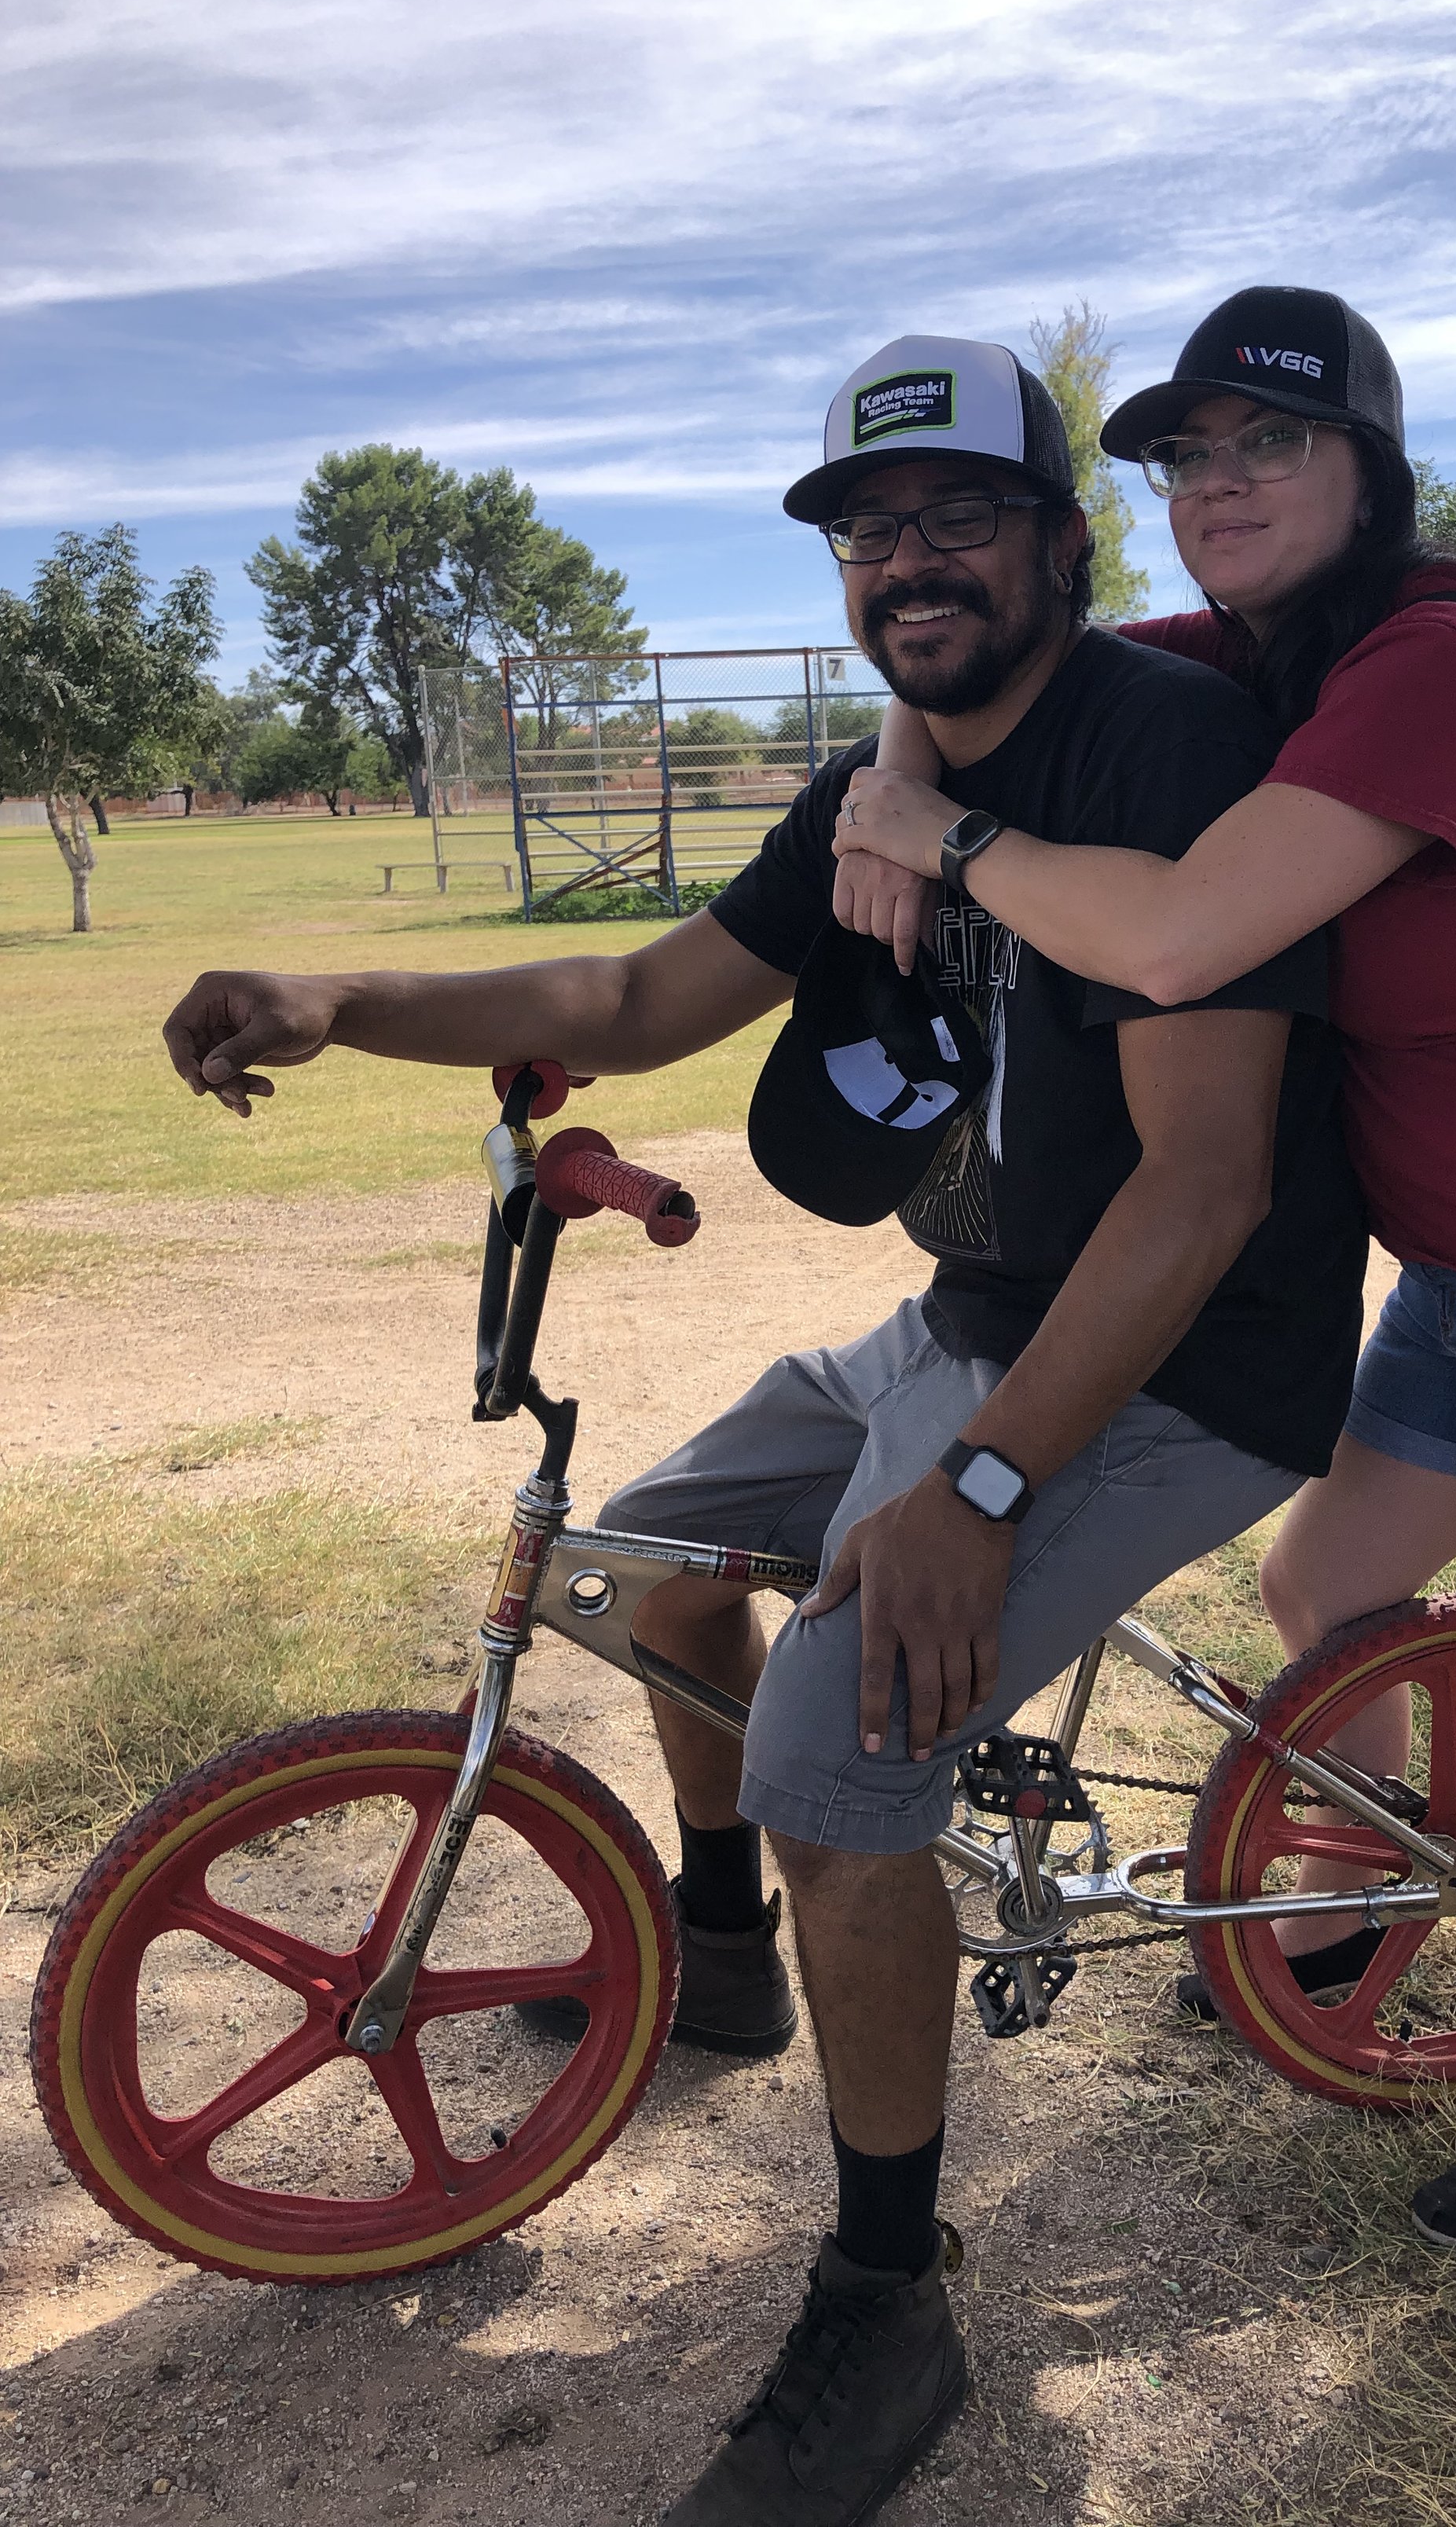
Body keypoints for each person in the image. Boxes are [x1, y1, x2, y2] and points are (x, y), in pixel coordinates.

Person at [161, 332, 1369, 2525]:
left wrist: (978, 1487)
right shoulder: (870, 792)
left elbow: (1203, 1190)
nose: (910, 563)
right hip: (976, 1312)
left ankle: (890, 2291)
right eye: (869, 528)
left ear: (1055, 545)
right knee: (642, 1565)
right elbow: (632, 1000)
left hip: (1181, 1364)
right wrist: (346, 1001)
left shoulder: (1163, 751)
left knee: (846, 1748)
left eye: (961, 520)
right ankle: (725, 1951)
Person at [831, 285, 1456, 2257]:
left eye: (1263, 444)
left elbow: (1190, 932)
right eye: (1185, 455)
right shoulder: (1263, 655)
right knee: (1323, 1579)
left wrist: (934, 838)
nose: (1216, 484)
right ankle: (1363, 1895)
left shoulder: (1439, 661)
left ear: (1366, 469)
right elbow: (982, 664)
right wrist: (893, 748)